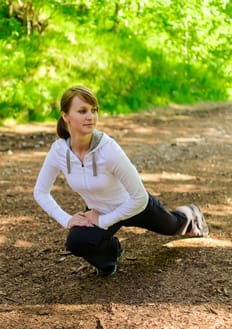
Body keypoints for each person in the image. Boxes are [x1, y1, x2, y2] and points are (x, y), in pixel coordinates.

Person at [34, 85, 209, 277]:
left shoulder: (108, 149)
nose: (90, 116)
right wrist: (67, 220)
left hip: (134, 206)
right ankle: (111, 255)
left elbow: (140, 198)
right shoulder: (59, 151)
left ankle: (191, 215)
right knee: (77, 242)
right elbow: (40, 192)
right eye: (82, 111)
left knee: (173, 226)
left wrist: (104, 221)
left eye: (94, 110)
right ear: (65, 116)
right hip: (99, 210)